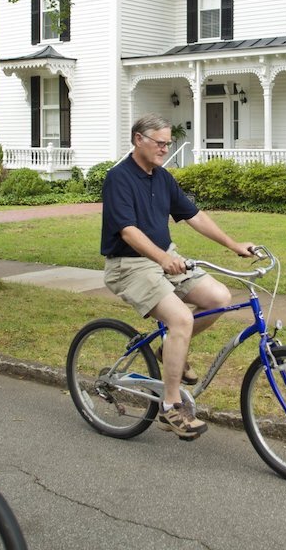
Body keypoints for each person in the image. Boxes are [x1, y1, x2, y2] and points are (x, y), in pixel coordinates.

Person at [100, 113, 255, 440]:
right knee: (182, 319)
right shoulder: (119, 178)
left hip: (164, 257)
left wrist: (232, 244)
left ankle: (168, 350)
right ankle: (170, 408)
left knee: (219, 298)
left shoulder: (162, 177)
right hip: (129, 265)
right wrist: (162, 258)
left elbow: (194, 216)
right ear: (138, 139)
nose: (164, 149)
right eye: (159, 143)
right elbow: (128, 232)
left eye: (168, 143)